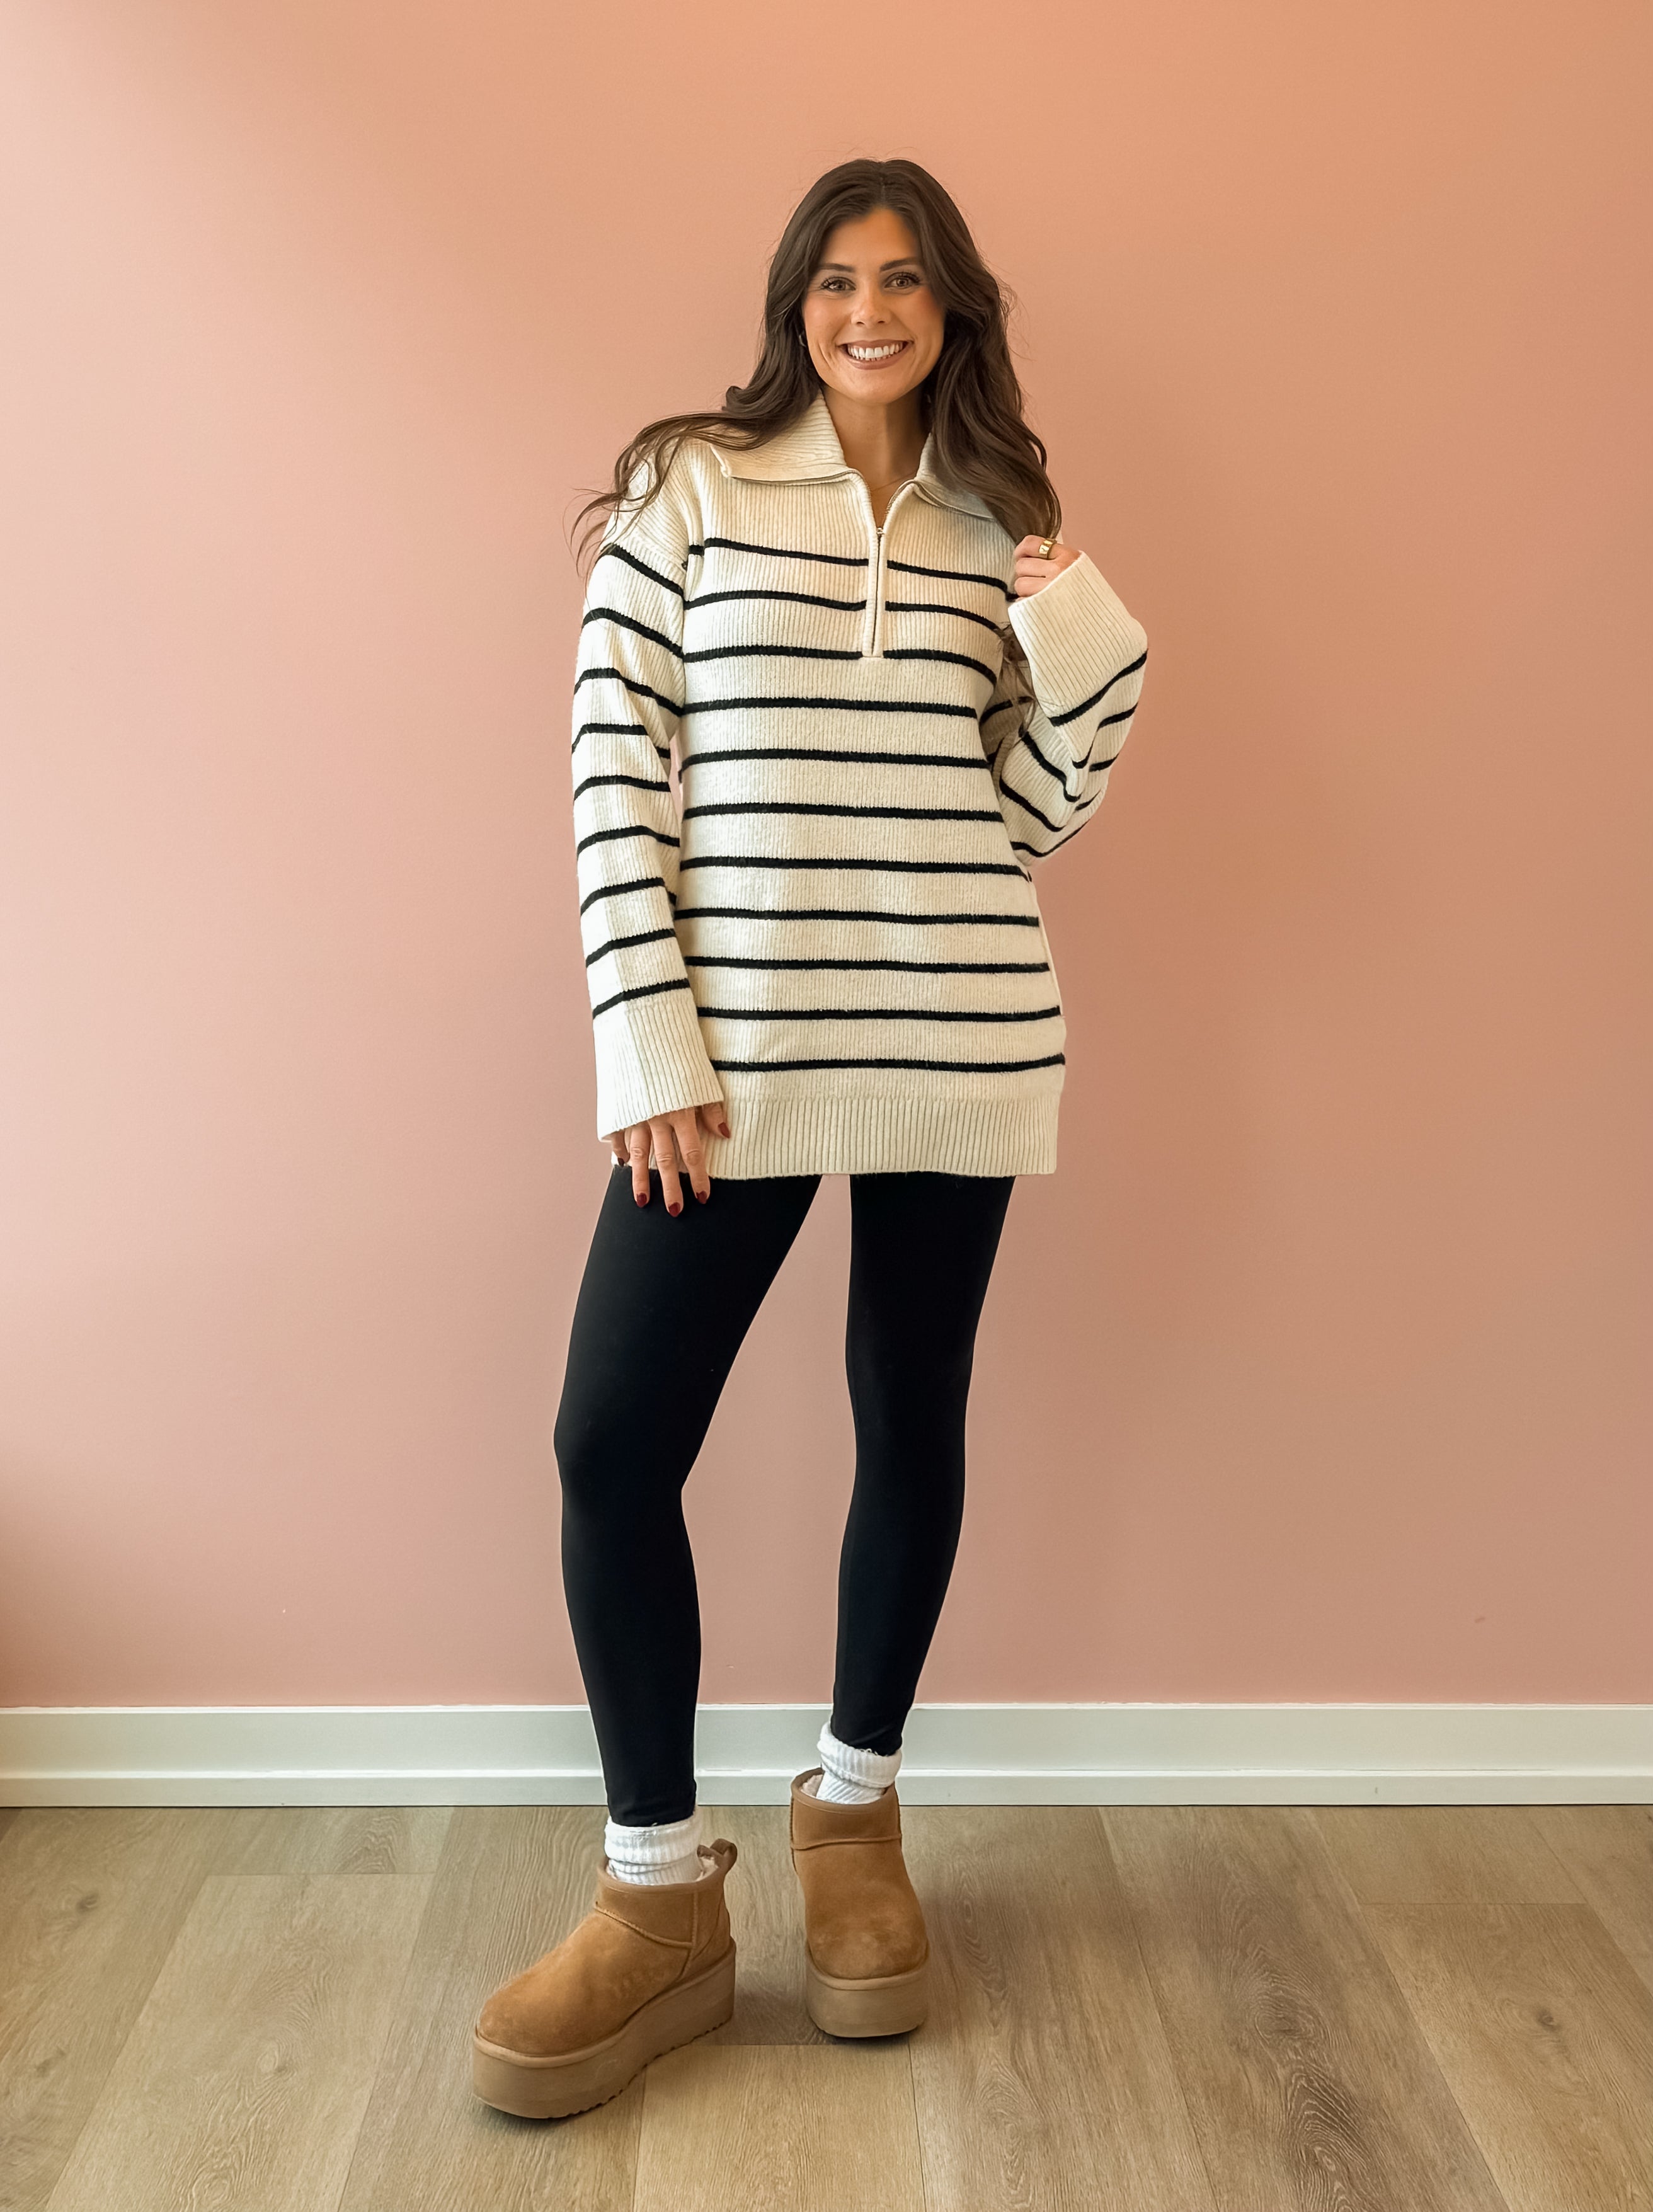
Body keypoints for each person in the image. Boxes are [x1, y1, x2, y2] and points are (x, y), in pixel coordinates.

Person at [471, 156, 1148, 2119]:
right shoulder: (687, 487)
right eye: (840, 279)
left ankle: (856, 1815)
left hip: (958, 1034)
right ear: (795, 305)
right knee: (612, 1442)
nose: (873, 310)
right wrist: (647, 1045)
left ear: (953, 310)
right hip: (733, 1059)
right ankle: (657, 1891)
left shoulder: (994, 522)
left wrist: (1086, 631)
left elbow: (1028, 809)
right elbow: (615, 771)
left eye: (907, 279)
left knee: (908, 1420)